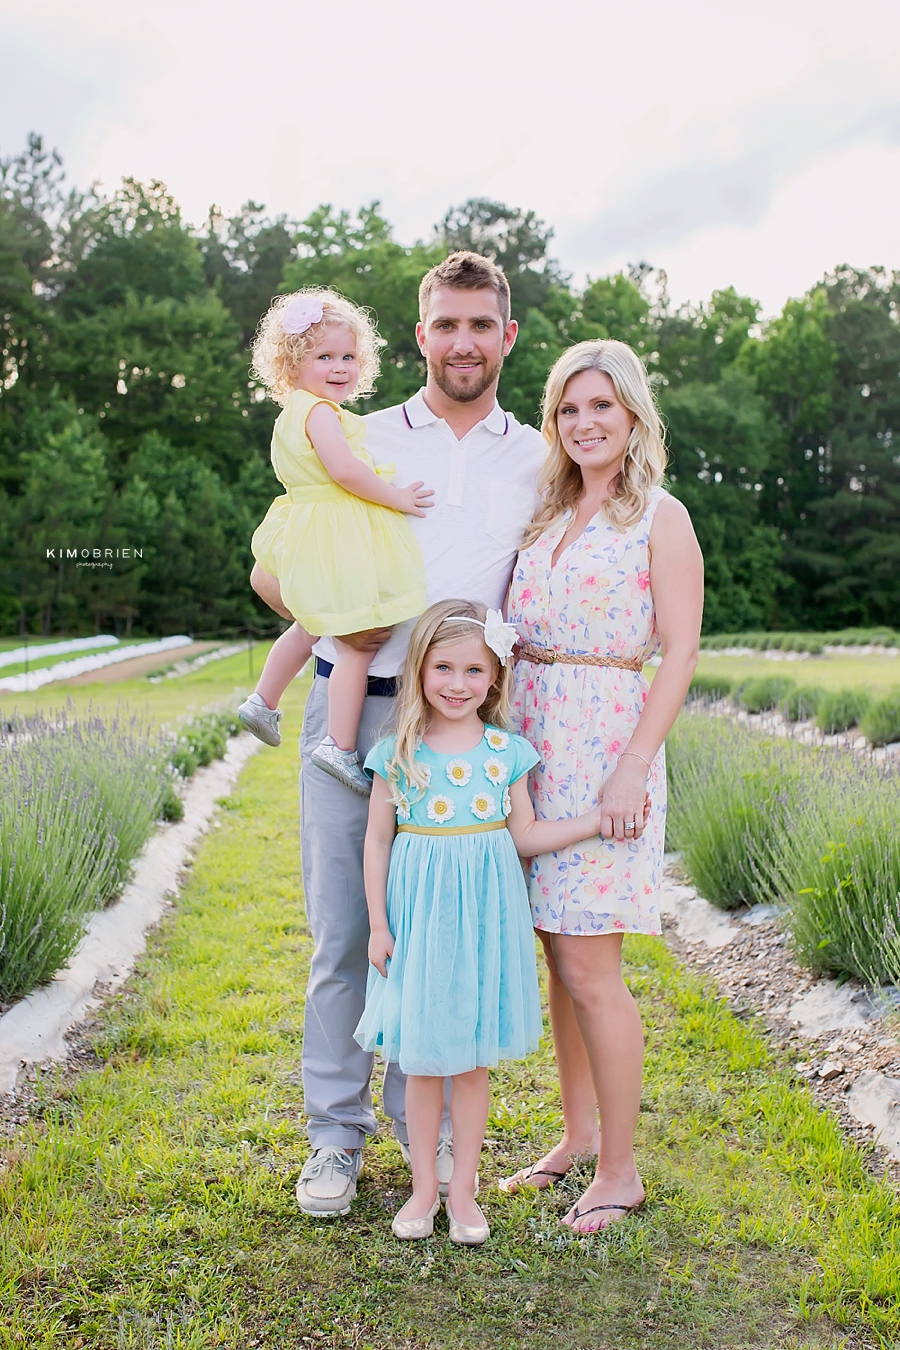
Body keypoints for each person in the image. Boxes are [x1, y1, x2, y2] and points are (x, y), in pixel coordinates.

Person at [265, 253, 546, 1217]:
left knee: (431, 936)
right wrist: (327, 614)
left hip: (463, 724)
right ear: (420, 335)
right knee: (349, 932)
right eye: (445, 325)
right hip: (362, 700)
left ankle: (416, 1139)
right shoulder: (356, 433)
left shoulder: (538, 455)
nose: (462, 342)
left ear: (505, 337)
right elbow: (278, 561)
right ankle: (333, 1141)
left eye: (481, 325)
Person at [502, 339, 703, 1232]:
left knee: (594, 966)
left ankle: (620, 1171)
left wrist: (630, 769)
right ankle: (577, 1138)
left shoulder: (660, 515)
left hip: (607, 752)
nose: (584, 424)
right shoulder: (547, 514)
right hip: (534, 748)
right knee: (558, 954)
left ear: (632, 417)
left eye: (602, 409)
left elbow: (681, 651)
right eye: (569, 410)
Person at [357, 599, 609, 1244]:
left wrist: (593, 822)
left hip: (482, 921)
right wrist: (380, 926)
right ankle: (421, 1193)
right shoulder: (397, 753)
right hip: (418, 918)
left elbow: (523, 835)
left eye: (474, 670)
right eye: (444, 667)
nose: (457, 684)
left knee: (469, 1064)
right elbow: (378, 841)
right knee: (419, 1060)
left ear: (494, 678)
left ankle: (463, 1193)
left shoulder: (507, 752)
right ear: (419, 672)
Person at [237, 289, 433, 795]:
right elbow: (344, 471)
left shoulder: (292, 413)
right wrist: (396, 498)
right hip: (333, 531)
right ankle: (339, 746)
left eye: (348, 357)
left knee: (310, 623)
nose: (340, 367)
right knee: (359, 640)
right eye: (324, 357)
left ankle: (263, 699)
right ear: (293, 363)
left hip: (305, 527)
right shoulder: (320, 414)